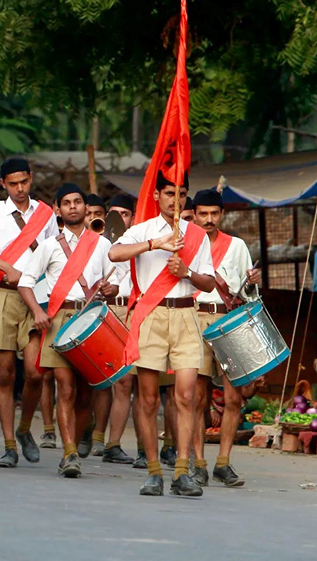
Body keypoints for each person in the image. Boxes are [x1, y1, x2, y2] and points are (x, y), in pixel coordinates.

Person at [108, 171, 216, 497]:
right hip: (150, 315)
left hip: (185, 314)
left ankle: (182, 471)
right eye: (169, 193)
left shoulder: (196, 235)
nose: (175, 199)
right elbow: (114, 253)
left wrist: (187, 273)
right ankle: (154, 471)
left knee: (186, 395)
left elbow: (209, 283)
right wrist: (156, 244)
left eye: (181, 194)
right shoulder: (142, 230)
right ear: (157, 196)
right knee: (148, 397)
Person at [0, 158, 59, 468]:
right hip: (3, 295)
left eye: (24, 182)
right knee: (4, 374)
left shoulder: (45, 213)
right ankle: (8, 445)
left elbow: (54, 252)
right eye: (13, 183)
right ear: (2, 183)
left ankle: (24, 428)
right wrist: (6, 267)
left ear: (31, 179)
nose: (20, 189)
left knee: (34, 372)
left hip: (37, 297)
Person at [18, 184, 117, 478]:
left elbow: (118, 283)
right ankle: (69, 452)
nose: (73, 206)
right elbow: (25, 282)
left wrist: (112, 289)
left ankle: (81, 432)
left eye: (78, 202)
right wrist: (37, 311)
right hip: (59, 318)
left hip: (91, 320)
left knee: (86, 393)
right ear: (58, 210)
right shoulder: (49, 245)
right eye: (66, 203)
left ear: (86, 208)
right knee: (65, 386)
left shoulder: (103, 245)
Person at [190, 188, 259, 488]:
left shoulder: (238, 245)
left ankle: (224, 462)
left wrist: (253, 283)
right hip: (193, 317)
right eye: (203, 213)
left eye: (213, 213)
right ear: (193, 215)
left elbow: (247, 291)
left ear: (222, 214)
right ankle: (199, 463)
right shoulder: (186, 244)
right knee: (196, 397)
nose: (208, 219)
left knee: (233, 396)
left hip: (229, 319)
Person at [98, 193, 142, 467]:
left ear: (133, 217)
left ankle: (144, 448)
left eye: (124, 214)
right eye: (113, 213)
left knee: (142, 384)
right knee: (120, 382)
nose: (118, 219)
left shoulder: (141, 242)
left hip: (136, 312)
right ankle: (111, 443)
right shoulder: (99, 244)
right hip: (112, 312)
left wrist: (121, 288)